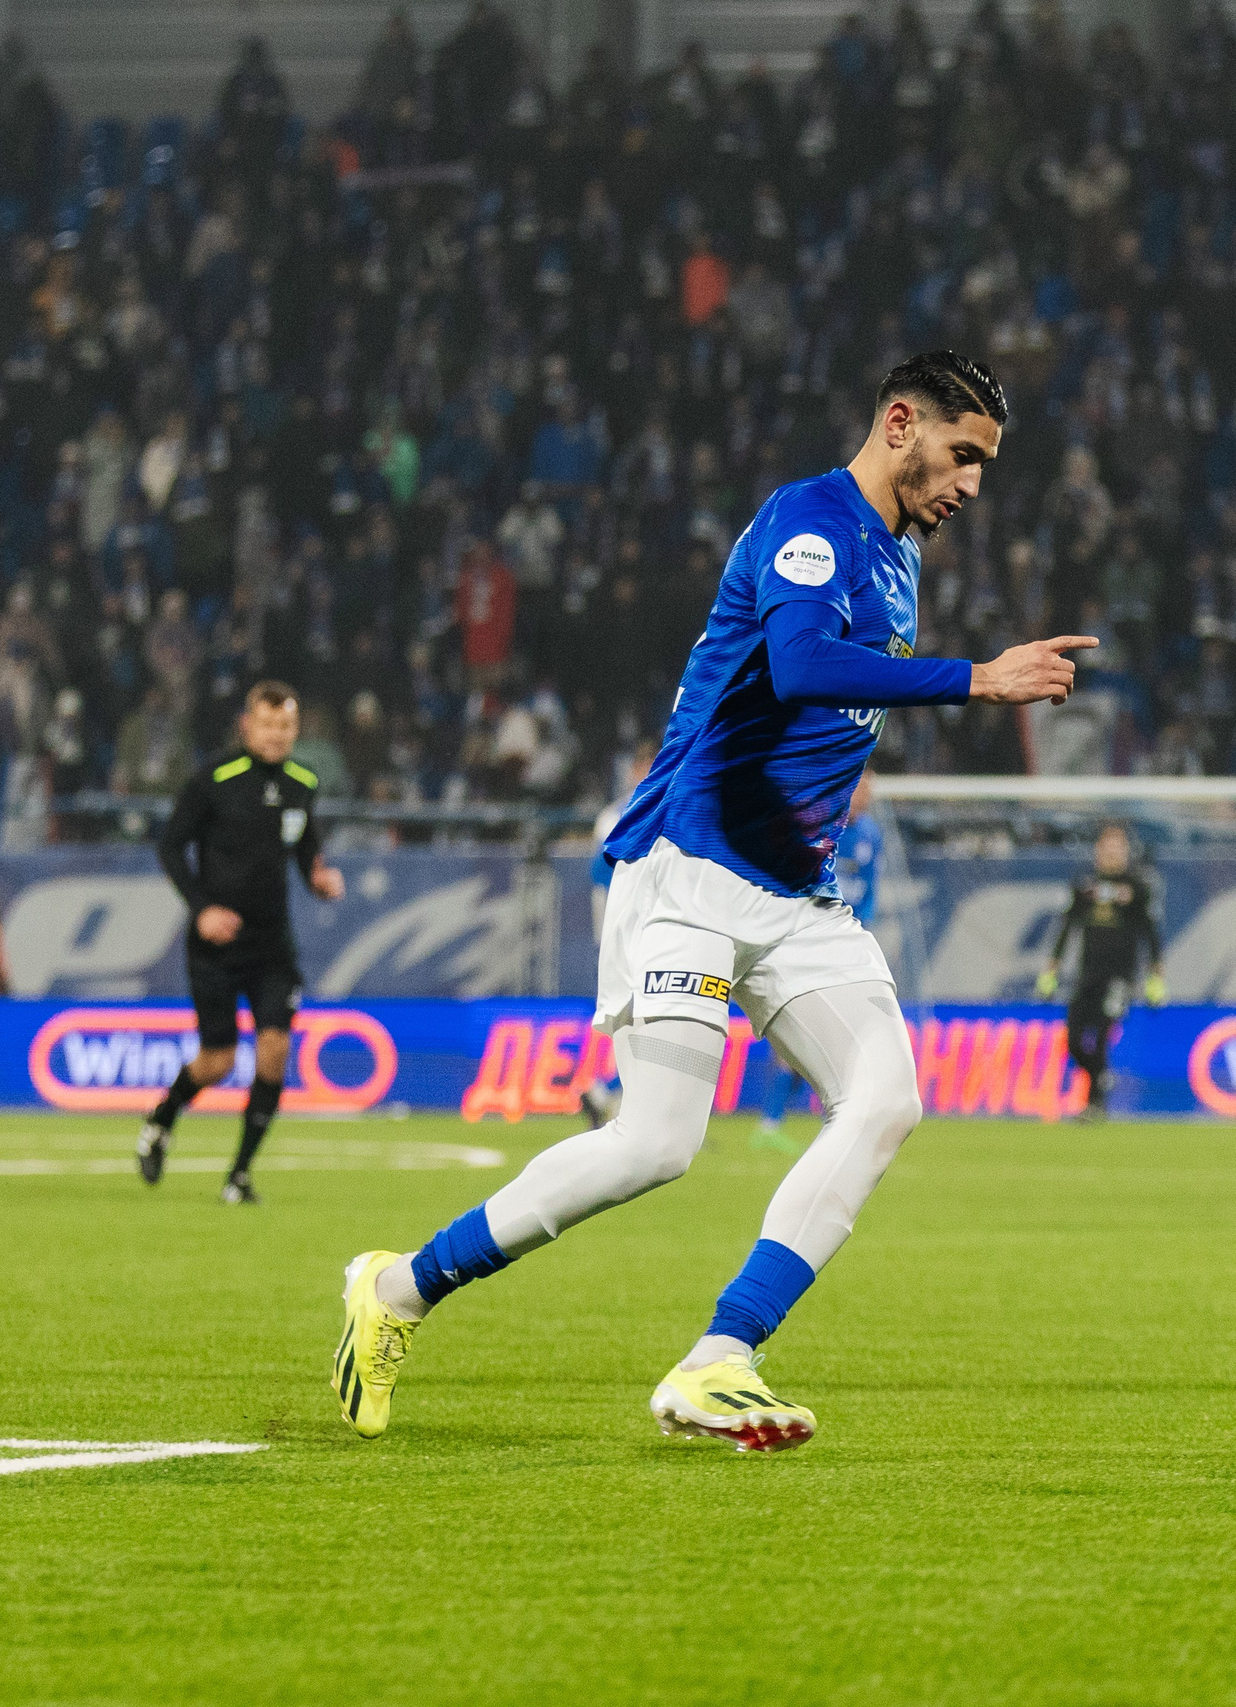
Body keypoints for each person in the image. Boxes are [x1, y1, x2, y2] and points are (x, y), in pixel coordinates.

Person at [333, 351, 1092, 1449]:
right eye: (961, 454)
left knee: (886, 1100)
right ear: (898, 424)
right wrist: (978, 677)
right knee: (653, 1145)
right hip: (689, 872)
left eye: (983, 465)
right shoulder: (812, 519)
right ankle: (396, 1289)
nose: (972, 484)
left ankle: (721, 1356)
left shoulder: (897, 559)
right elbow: (793, 664)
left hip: (795, 892)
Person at [136, 681, 346, 1204]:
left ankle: (240, 1175)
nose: (277, 735)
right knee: (219, 1061)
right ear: (247, 725)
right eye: (268, 724)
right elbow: (169, 846)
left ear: (296, 730)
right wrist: (202, 907)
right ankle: (162, 1118)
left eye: (287, 726)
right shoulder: (214, 779)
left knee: (275, 1048)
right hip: (217, 945)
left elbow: (302, 847)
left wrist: (317, 877)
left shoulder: (302, 782)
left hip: (272, 946)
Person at [753, 771, 885, 1152]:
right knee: (800, 1045)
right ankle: (772, 1124)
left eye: (870, 789)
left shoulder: (871, 834)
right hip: (805, 941)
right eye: (861, 787)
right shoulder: (819, 821)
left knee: (833, 1043)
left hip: (847, 942)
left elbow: (870, 887)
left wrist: (865, 929)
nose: (866, 796)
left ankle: (788, 1122)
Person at [1037, 822, 1166, 1120]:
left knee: (1103, 1033)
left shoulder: (1137, 887)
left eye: (1118, 847)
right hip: (1087, 975)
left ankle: (1095, 1102)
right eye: (1107, 846)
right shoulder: (1084, 885)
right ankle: (1100, 1080)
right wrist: (1051, 970)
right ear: (1098, 850)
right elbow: (1068, 927)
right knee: (1073, 1040)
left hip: (1120, 977)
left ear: (1126, 852)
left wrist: (1155, 977)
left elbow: (1150, 932)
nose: (1111, 852)